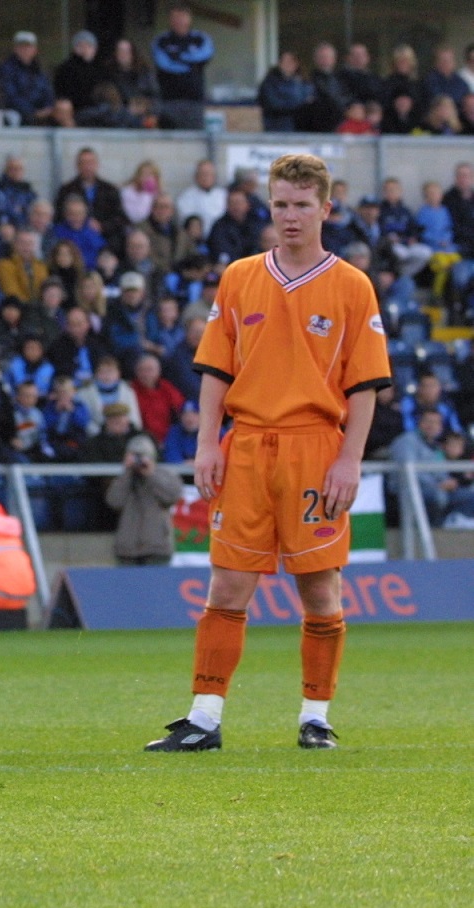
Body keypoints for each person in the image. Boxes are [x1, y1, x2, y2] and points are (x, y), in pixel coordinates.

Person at [145, 154, 390, 753]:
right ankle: (204, 718)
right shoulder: (239, 276)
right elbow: (216, 369)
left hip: (315, 448)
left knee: (320, 592)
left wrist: (349, 460)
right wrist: (207, 443)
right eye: (280, 204)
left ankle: (315, 717)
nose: (290, 216)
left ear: (326, 209)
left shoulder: (352, 285)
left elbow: (364, 387)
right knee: (227, 587)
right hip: (248, 445)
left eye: (302, 205)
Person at [106, 433, 184, 565]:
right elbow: (114, 501)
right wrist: (127, 472)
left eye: (142, 455)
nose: (139, 460)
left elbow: (171, 496)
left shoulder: (166, 475)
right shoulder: (125, 479)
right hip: (127, 550)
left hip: (157, 548)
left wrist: (150, 475)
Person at [151, 2, 213, 130]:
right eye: (175, 18)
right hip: (169, 102)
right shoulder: (161, 41)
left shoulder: (201, 39)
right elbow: (164, 64)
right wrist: (190, 64)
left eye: (182, 17)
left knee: (194, 139)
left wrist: (179, 57)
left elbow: (204, 55)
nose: (179, 21)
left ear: (189, 19)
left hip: (194, 103)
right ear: (170, 20)